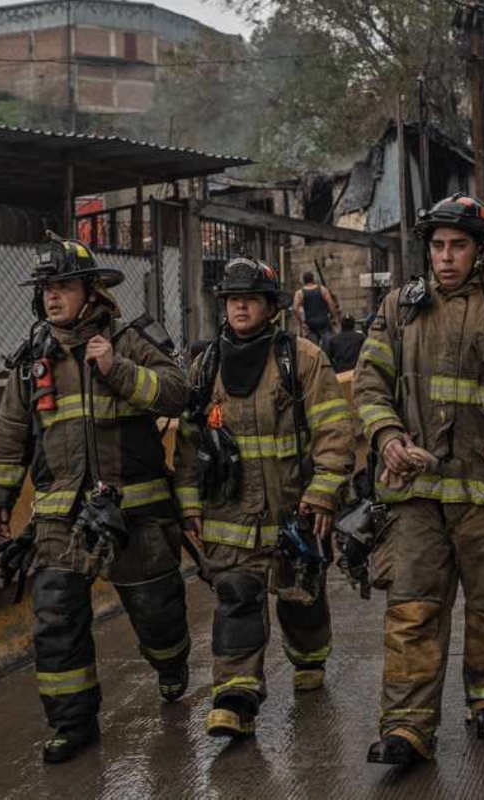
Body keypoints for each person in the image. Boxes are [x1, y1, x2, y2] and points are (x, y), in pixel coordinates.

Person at [353, 194, 484, 765]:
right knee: (411, 609)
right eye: (438, 247)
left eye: (459, 246)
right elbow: (369, 383)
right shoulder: (400, 308)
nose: (446, 258)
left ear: (480, 252)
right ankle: (406, 727)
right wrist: (387, 437)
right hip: (416, 495)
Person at [0, 235, 191, 764]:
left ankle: (171, 666)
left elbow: (178, 392)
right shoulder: (32, 360)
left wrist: (116, 369)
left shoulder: (129, 338)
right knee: (56, 620)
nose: (53, 297)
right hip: (59, 517)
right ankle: (72, 725)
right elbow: (12, 432)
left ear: (90, 290)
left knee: (157, 614)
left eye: (64, 286)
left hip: (135, 510)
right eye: (46, 289)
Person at [173, 257, 355, 739]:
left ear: (270, 307)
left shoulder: (304, 359)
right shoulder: (205, 364)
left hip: (294, 510)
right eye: (232, 299)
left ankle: (310, 658)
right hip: (230, 514)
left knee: (301, 601)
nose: (239, 307)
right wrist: (188, 501)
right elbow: (189, 442)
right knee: (236, 597)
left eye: (249, 299)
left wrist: (323, 491)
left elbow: (336, 428)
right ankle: (235, 697)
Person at [293, 271, 339, 348]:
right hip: (323, 323)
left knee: (313, 349)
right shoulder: (322, 289)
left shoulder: (300, 293)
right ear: (313, 279)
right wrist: (335, 317)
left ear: (304, 280)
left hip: (310, 325)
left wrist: (302, 322)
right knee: (327, 348)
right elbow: (331, 304)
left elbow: (295, 308)